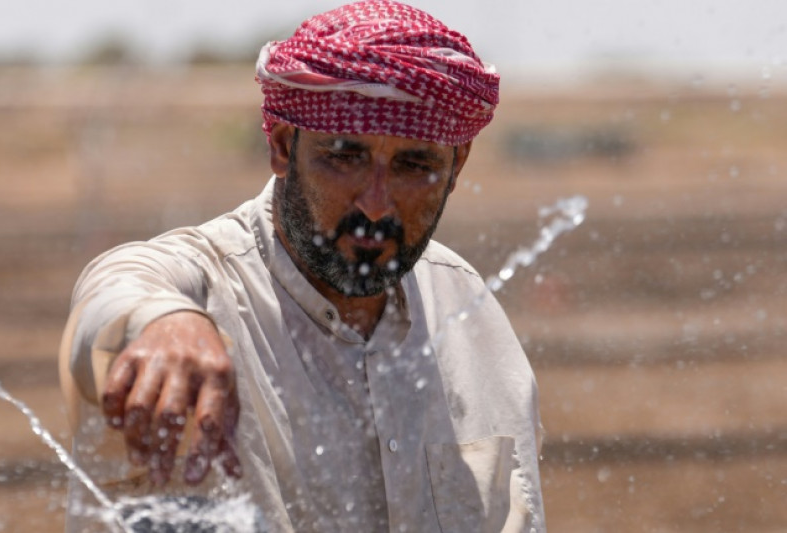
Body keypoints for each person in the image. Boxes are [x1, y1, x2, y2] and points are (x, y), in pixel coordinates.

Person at [59, 1, 545, 531]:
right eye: (345, 156)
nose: (376, 204)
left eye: (414, 165)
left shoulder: (471, 317)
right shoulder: (205, 285)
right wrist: (164, 322)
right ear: (284, 146)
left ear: (457, 168)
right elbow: (116, 283)